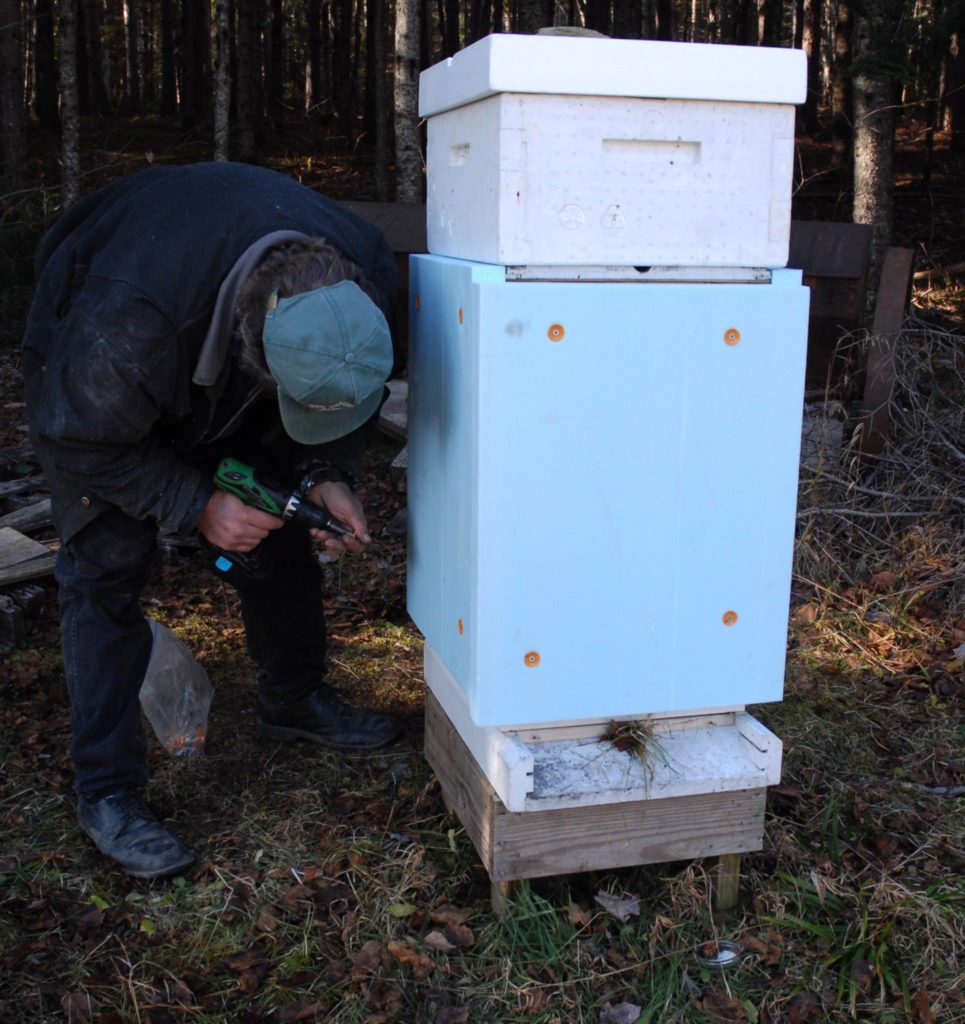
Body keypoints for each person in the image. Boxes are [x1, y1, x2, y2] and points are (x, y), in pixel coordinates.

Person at [21, 162, 401, 879]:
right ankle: (107, 791)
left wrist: (329, 474)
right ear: (250, 346)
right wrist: (197, 506)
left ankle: (293, 699)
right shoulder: (125, 324)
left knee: (275, 512)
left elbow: (355, 391)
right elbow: (78, 436)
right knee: (107, 569)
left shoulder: (364, 279)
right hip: (95, 373)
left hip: (199, 329)